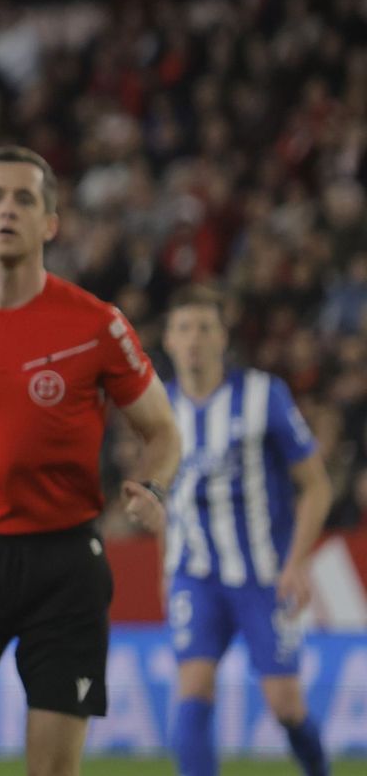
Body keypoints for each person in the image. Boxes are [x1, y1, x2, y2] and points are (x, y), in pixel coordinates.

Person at [0, 146, 183, 776]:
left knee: (51, 769)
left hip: (65, 567)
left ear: (50, 223)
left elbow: (162, 430)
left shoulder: (97, 326)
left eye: (25, 198)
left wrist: (154, 489)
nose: (8, 208)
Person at [161, 284, 332, 776]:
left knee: (285, 704)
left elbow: (316, 486)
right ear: (169, 339)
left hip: (263, 575)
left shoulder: (264, 396)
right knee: (192, 691)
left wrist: (296, 563)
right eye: (185, 328)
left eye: (205, 328)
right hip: (195, 574)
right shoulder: (160, 410)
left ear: (223, 337)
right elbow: (163, 503)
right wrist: (163, 570)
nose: (194, 339)